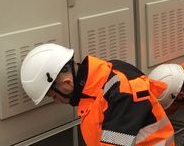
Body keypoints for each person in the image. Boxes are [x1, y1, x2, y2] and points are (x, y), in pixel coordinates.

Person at [20, 43, 175, 146]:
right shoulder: (99, 82)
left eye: (53, 95)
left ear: (67, 83)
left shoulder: (121, 92)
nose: (57, 101)